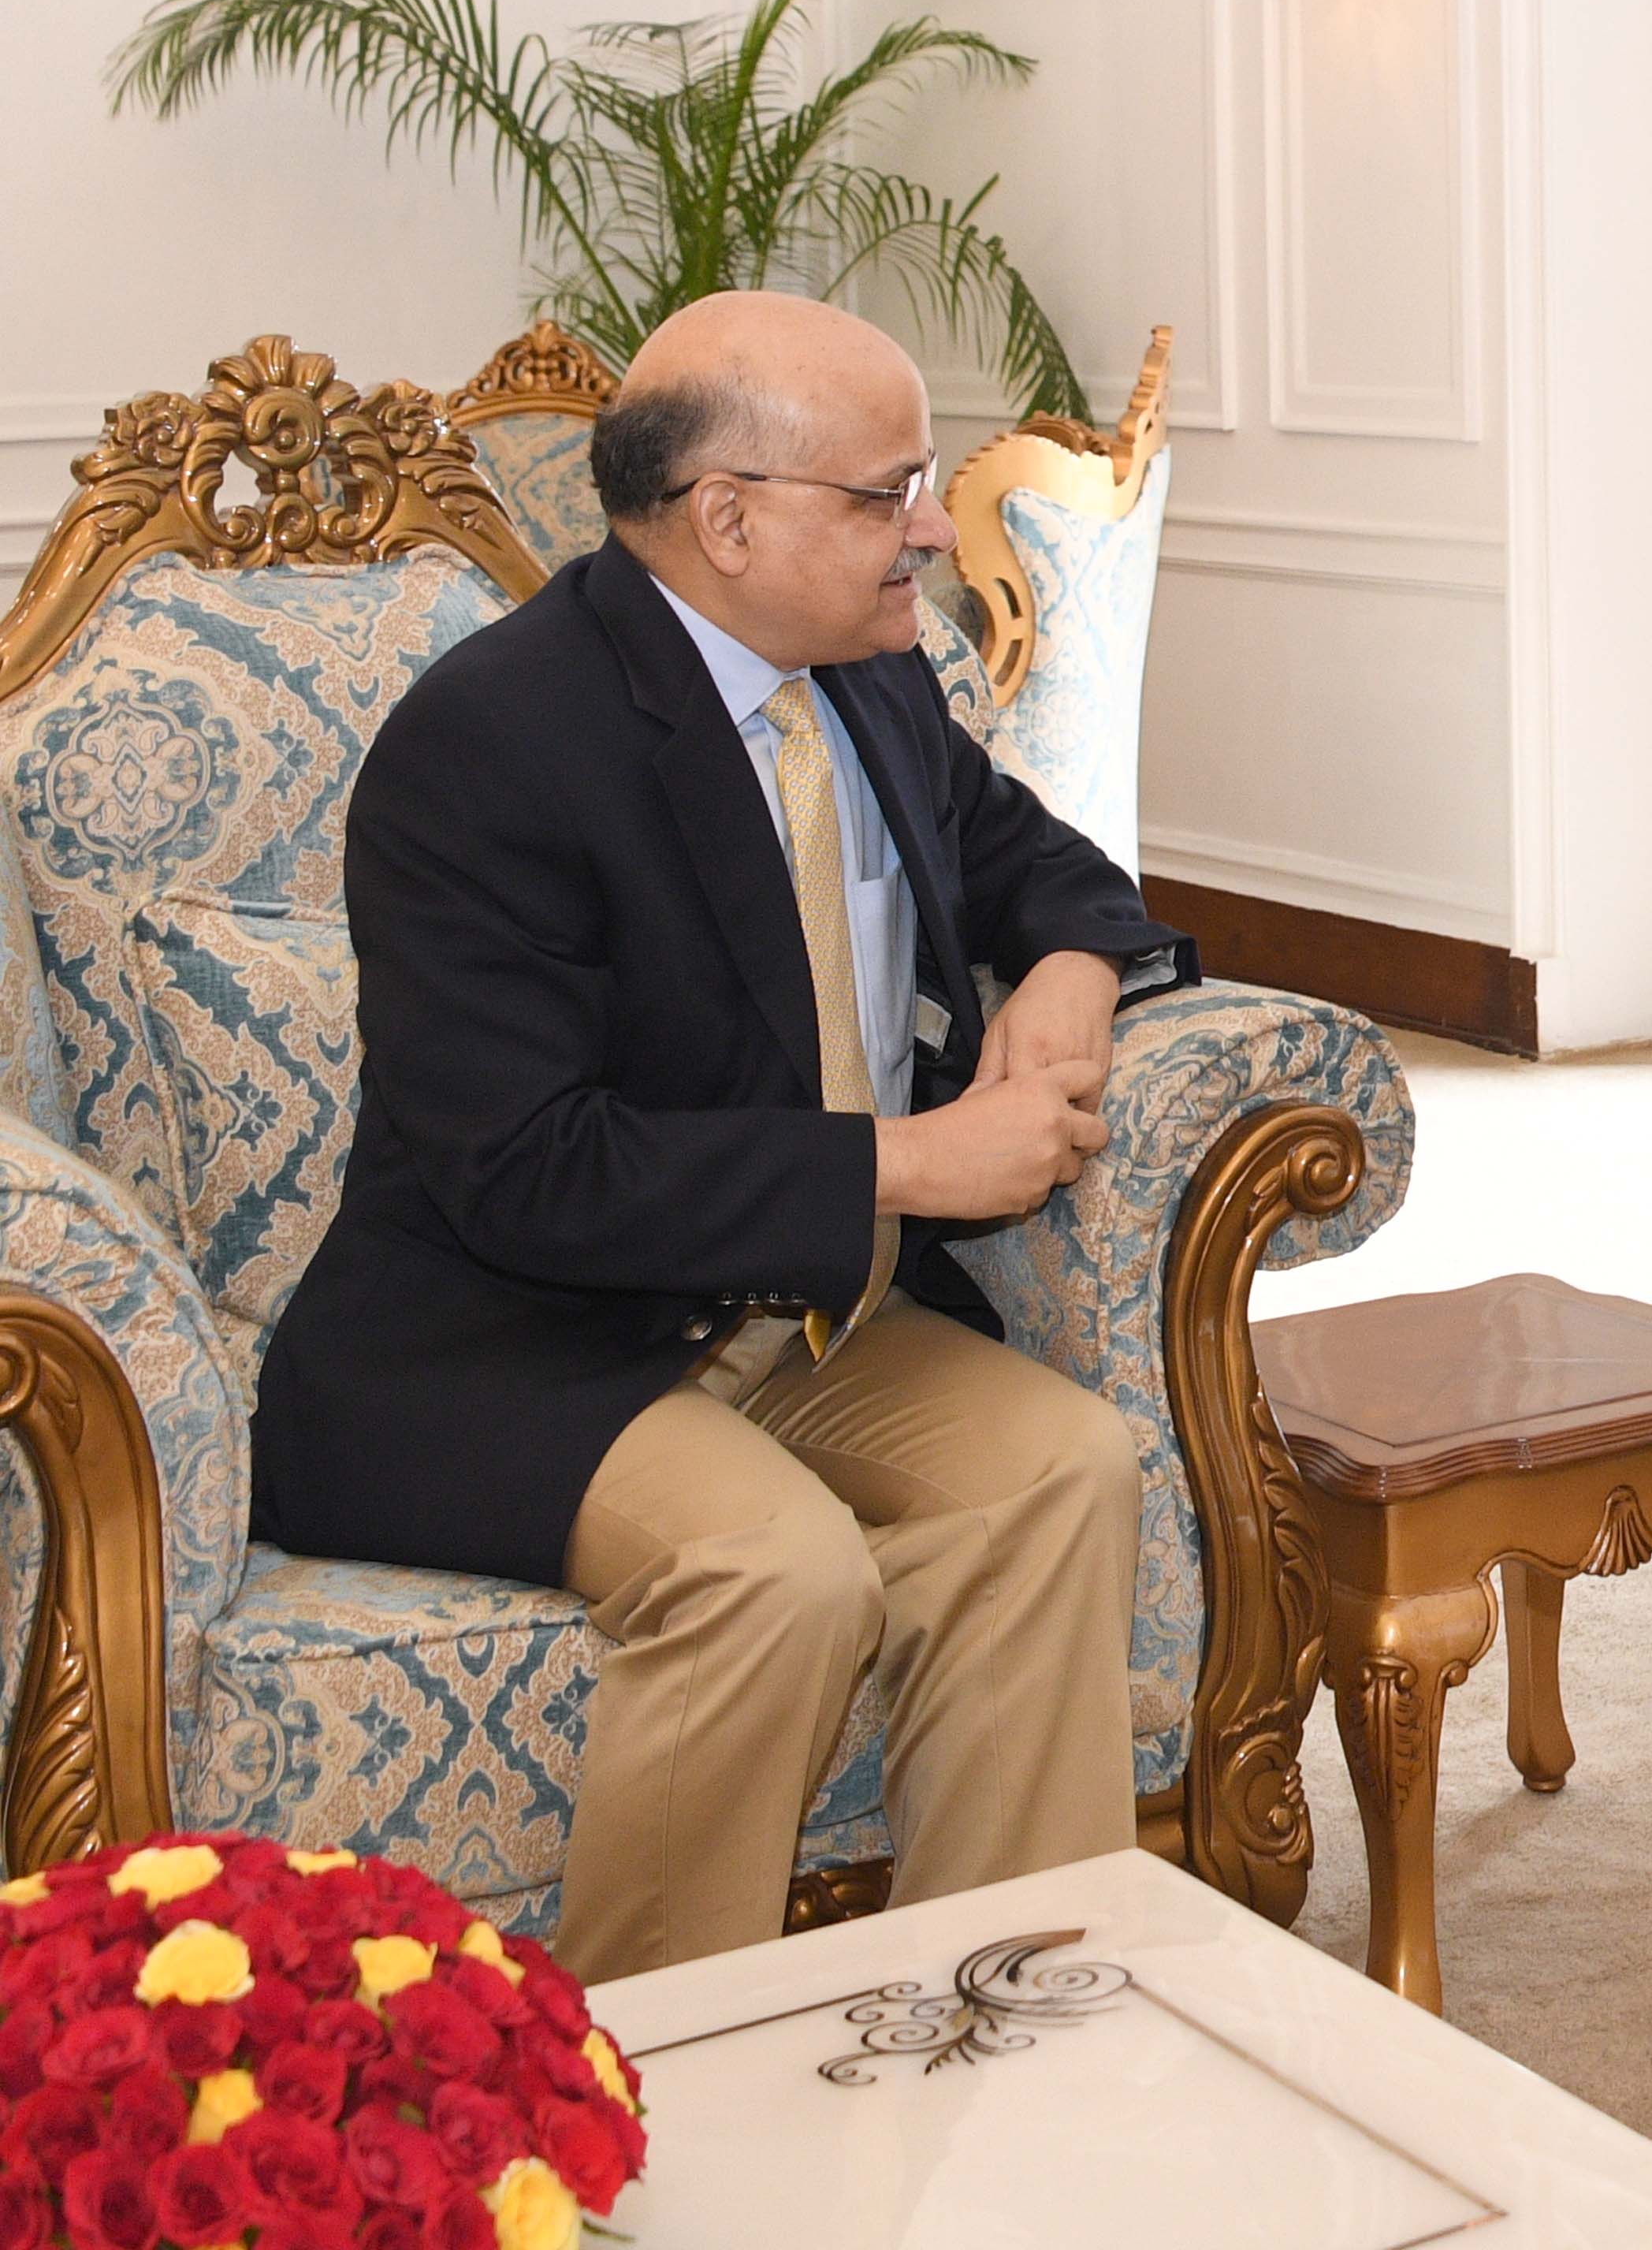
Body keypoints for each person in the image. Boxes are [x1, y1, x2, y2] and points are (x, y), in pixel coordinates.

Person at [251, 291, 1199, 1979]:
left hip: (809, 1306)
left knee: (1063, 1467)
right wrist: (911, 1164)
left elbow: (1039, 861)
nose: (935, 528)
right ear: (729, 517)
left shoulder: (871, 673)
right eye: (890, 490)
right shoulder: (492, 742)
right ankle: (651, 2078)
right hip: (520, 1338)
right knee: (778, 1568)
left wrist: (1070, 970)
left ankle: (989, 2010)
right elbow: (527, 1167)